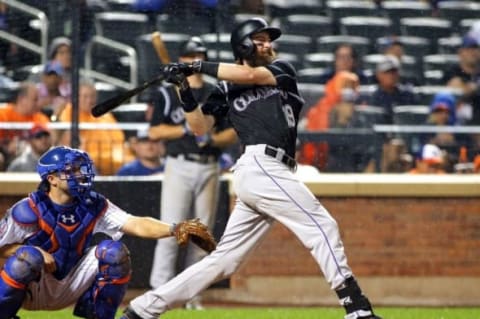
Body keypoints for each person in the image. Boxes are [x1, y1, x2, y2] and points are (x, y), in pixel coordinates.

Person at [121, 17, 381, 319]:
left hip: (271, 170)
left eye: (268, 39)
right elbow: (199, 127)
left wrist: (194, 66)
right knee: (322, 225)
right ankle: (357, 308)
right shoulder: (225, 88)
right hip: (260, 166)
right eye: (260, 39)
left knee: (224, 262)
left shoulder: (281, 70)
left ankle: (142, 310)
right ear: (244, 44)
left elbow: (251, 75)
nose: (269, 44)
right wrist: (184, 88)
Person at [0, 146, 199, 319]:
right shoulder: (28, 208)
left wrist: (174, 228)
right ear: (52, 179)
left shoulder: (92, 204)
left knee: (114, 252)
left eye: (80, 168)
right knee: (28, 257)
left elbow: (134, 223)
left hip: (71, 282)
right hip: (34, 286)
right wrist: (33, 251)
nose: (81, 174)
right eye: (72, 170)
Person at [146, 36, 238, 309]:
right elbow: (154, 131)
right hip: (179, 164)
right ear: (181, 60)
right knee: (171, 229)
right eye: (188, 56)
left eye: (197, 56)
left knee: (201, 234)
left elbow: (232, 132)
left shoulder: (214, 92)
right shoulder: (167, 92)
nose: (191, 60)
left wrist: (212, 139)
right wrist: (187, 129)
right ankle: (159, 290)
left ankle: (191, 295)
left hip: (209, 165)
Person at [57, 80, 132, 175]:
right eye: (85, 96)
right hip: (88, 162)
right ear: (76, 98)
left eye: (92, 96)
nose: (89, 100)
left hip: (115, 160)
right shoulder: (69, 113)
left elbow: (119, 139)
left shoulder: (104, 114)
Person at [0, 82, 49, 169]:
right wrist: (6, 146)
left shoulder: (39, 117)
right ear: (22, 99)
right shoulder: (3, 113)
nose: (37, 103)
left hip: (31, 155)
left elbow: (47, 138)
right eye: (35, 99)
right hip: (5, 153)